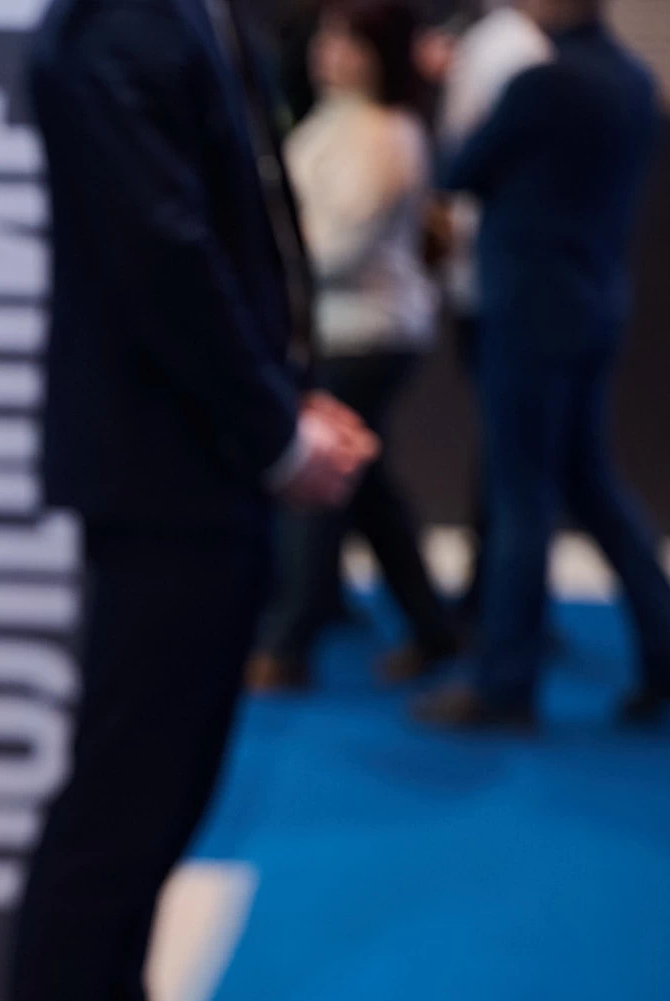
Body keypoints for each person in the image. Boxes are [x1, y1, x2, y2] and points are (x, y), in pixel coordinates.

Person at [4, 0, 376, 1001]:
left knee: (150, 816)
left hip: (197, 462)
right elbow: (160, 252)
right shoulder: (113, 26)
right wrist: (273, 428)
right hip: (166, 467)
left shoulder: (174, 13)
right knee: (114, 824)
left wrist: (282, 403)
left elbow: (228, 221)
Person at [413, 0, 670, 729]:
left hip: (529, 309)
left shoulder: (543, 84)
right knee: (588, 482)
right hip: (596, 300)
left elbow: (461, 168)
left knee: (522, 493)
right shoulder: (634, 79)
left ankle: (504, 684)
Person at [249, 0, 460, 690]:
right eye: (328, 39)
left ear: (380, 53)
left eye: (349, 42)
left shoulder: (386, 134)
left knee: (319, 480)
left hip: (367, 333)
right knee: (366, 487)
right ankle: (431, 625)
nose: (330, 53)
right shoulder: (332, 120)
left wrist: (266, 254)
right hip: (338, 329)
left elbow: (332, 248)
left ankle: (286, 644)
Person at [434, 0, 552, 623]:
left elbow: (466, 164)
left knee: (516, 464)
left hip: (502, 281)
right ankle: (494, 603)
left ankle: (499, 612)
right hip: (488, 276)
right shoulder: (497, 42)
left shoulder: (513, 49)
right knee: (516, 459)